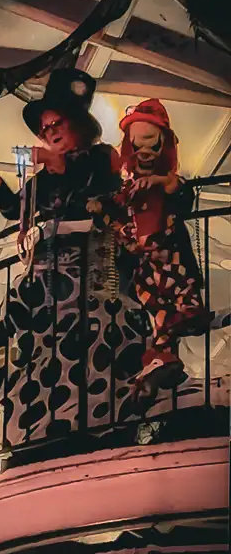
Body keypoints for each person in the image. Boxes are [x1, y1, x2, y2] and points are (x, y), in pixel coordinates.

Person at [0, 69, 147, 450]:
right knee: (9, 327)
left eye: (57, 123)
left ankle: (94, 417)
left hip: (94, 271)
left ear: (78, 125)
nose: (50, 131)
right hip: (48, 275)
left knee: (88, 338)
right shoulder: (43, 178)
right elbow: (11, 209)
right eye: (44, 127)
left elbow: (101, 191)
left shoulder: (102, 158)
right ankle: (22, 420)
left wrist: (58, 165)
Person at [87, 99, 207, 409]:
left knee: (176, 298)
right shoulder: (127, 190)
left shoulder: (163, 183)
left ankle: (184, 322)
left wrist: (154, 181)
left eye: (150, 142)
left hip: (167, 255)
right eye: (137, 142)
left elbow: (177, 189)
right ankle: (160, 361)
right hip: (143, 263)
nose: (143, 151)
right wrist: (102, 208)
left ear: (162, 145)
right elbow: (113, 206)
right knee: (157, 312)